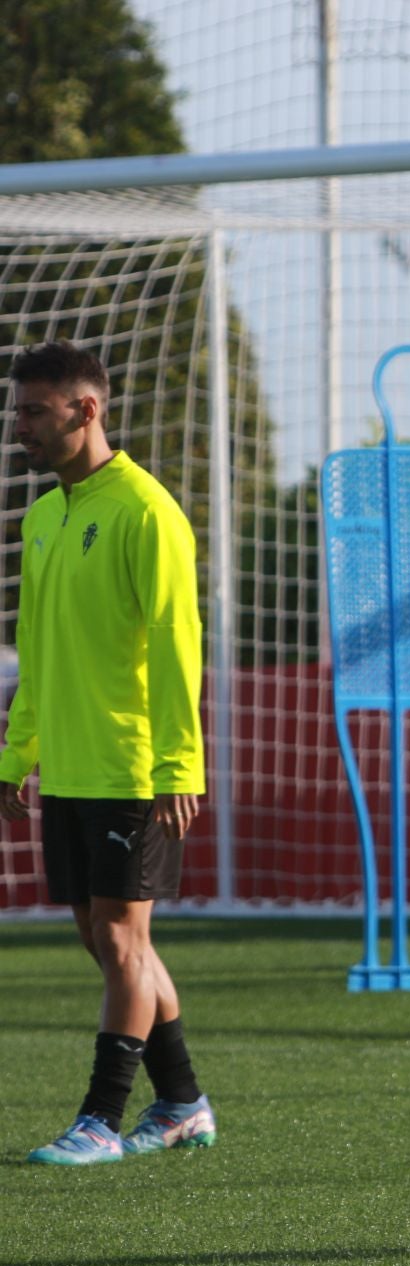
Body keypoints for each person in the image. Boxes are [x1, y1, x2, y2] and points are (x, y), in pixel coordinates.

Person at [4, 341, 215, 1165]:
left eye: (33, 411)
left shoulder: (146, 510)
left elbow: (175, 645)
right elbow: (36, 648)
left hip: (134, 766)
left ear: (86, 410)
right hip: (71, 766)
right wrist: (15, 751)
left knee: (124, 941)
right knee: (102, 937)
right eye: (16, 410)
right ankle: (184, 1103)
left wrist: (178, 767)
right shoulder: (44, 516)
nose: (18, 426)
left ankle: (101, 1118)